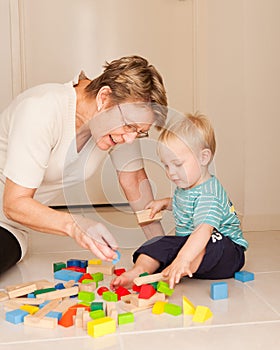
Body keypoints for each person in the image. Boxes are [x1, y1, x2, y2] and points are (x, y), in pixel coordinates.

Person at [0, 55, 168, 274]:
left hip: (10, 228)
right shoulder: (42, 109)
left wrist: (162, 250)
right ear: (104, 97)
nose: (130, 139)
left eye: (140, 132)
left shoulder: (118, 126)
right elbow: (14, 203)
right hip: (12, 211)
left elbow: (134, 182)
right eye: (129, 126)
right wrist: (76, 226)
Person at [111, 113, 248, 289]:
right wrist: (165, 203)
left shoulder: (209, 195)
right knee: (159, 243)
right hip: (194, 244)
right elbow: (185, 204)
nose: (171, 172)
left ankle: (175, 268)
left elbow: (202, 231)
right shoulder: (187, 186)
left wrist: (183, 257)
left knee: (207, 241)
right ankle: (139, 271)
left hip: (228, 253)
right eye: (166, 165)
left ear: (203, 158)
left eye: (177, 164)